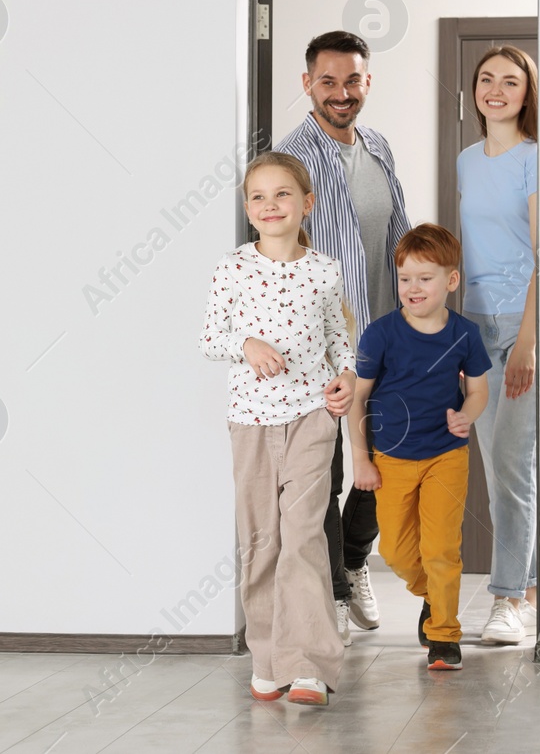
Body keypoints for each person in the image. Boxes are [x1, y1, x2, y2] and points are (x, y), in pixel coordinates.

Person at [200, 151, 354, 706]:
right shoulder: (232, 267)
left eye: (282, 194)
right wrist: (246, 344)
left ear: (307, 204)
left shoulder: (325, 269)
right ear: (247, 208)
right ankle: (267, 659)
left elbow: (340, 339)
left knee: (304, 536)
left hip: (313, 417)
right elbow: (209, 338)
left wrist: (347, 376)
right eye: (258, 196)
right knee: (262, 540)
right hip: (249, 421)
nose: (270, 205)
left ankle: (310, 664)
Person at [275, 30, 411, 646]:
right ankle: (330, 593)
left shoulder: (379, 147)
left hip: (387, 338)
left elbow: (399, 234)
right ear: (307, 84)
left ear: (368, 82)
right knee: (328, 470)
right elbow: (277, 247)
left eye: (352, 80)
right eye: (327, 81)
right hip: (324, 348)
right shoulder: (292, 157)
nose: (341, 93)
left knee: (384, 462)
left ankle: (355, 561)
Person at [331, 223, 490, 670]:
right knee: (398, 553)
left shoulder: (465, 334)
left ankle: (444, 634)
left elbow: (479, 390)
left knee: (442, 548)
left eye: (425, 278)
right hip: (391, 459)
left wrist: (468, 415)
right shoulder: (380, 334)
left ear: (451, 281)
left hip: (446, 456)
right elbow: (358, 398)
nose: (413, 288)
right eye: (405, 279)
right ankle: (433, 597)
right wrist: (361, 458)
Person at [456, 46, 540, 645]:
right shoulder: (464, 161)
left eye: (511, 82)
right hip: (473, 325)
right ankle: (529, 586)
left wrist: (529, 342)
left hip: (520, 324)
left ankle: (509, 599)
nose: (496, 90)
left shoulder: (537, 159)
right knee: (496, 464)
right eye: (487, 79)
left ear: (526, 93)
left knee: (512, 465)